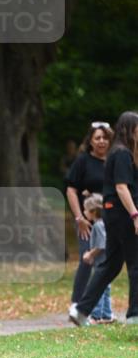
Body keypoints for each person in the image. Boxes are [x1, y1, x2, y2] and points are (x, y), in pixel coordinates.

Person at [69, 111, 138, 327]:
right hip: (123, 214)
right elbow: (121, 187)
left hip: (112, 214)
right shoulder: (122, 154)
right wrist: (135, 214)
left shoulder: (116, 153)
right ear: (129, 129)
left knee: (111, 265)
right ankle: (135, 315)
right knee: (136, 263)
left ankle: (81, 310)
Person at [65, 121, 113, 311]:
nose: (102, 141)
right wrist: (79, 218)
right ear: (90, 141)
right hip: (88, 219)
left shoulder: (115, 161)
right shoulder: (83, 161)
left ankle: (101, 308)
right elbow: (71, 190)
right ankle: (77, 303)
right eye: (97, 138)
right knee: (87, 259)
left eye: (105, 138)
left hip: (111, 220)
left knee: (106, 263)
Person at [81, 195, 113, 323]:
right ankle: (106, 315)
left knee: (97, 287)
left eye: (86, 210)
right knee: (105, 288)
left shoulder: (98, 226)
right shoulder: (104, 223)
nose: (84, 212)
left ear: (93, 211)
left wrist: (90, 254)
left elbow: (101, 244)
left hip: (101, 264)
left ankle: (95, 316)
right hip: (107, 262)